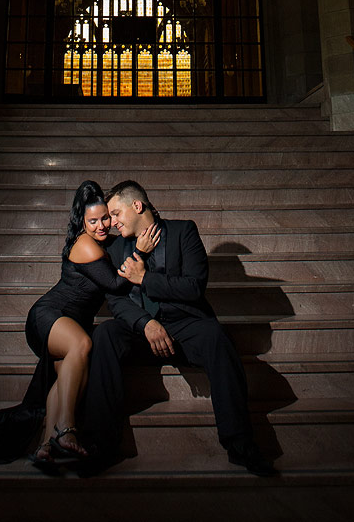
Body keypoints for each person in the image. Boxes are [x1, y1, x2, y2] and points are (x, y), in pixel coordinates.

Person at [80, 179, 278, 476]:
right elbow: (116, 300)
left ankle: (241, 444)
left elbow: (194, 287)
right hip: (140, 330)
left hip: (185, 325)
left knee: (216, 337)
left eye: (117, 213)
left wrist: (145, 278)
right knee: (105, 334)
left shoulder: (183, 231)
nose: (113, 222)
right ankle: (100, 446)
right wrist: (146, 323)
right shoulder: (115, 245)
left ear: (137, 206)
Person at [0, 178, 160, 470]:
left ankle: (44, 447)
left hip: (68, 323)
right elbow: (116, 284)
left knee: (66, 377)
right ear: (82, 221)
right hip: (48, 317)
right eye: (93, 221)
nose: (102, 225)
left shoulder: (105, 242)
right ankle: (66, 431)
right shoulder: (86, 245)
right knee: (83, 344)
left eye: (106, 218)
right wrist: (139, 253)